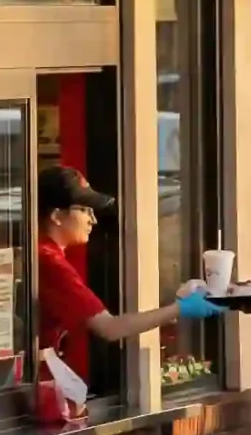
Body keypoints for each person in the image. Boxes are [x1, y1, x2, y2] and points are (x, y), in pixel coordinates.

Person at [35, 166, 224, 400]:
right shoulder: (48, 261)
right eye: (84, 210)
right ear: (55, 215)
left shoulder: (46, 256)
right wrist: (180, 308)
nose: (93, 219)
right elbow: (110, 328)